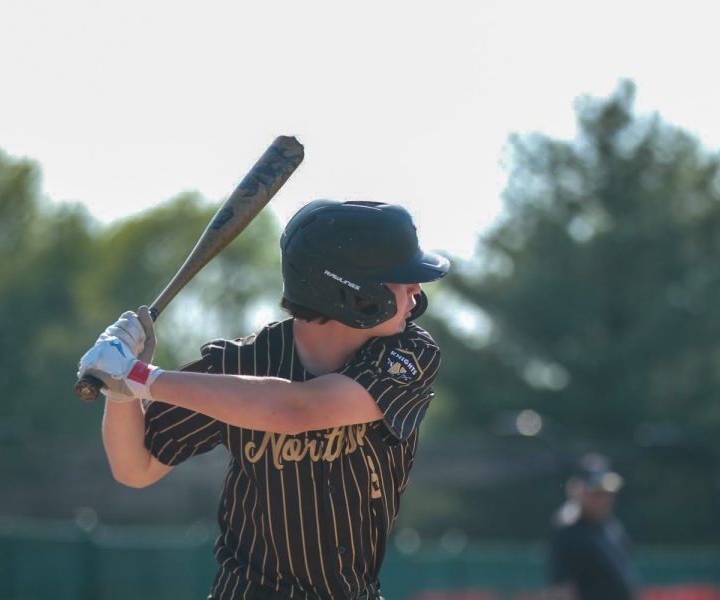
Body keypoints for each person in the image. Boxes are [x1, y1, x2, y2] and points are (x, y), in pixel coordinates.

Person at [77, 199, 450, 599]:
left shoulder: (408, 353)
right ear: (354, 293)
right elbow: (135, 468)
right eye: (402, 278)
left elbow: (296, 408)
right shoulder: (239, 366)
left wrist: (140, 377)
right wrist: (120, 391)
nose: (416, 289)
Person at [547, 454, 639, 600]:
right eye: (596, 493)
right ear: (578, 491)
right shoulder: (569, 529)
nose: (604, 499)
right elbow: (562, 588)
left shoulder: (612, 526)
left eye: (607, 493)